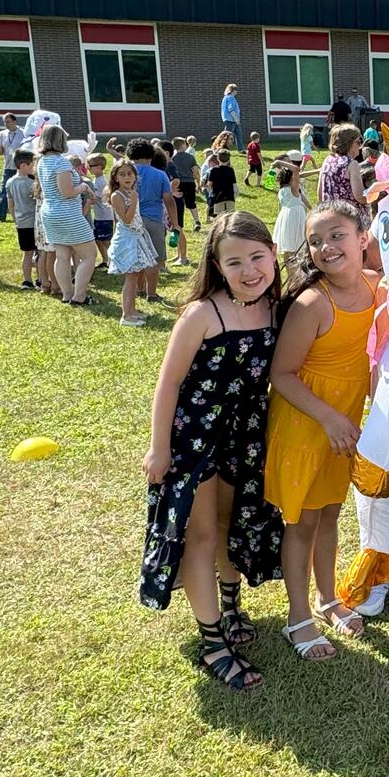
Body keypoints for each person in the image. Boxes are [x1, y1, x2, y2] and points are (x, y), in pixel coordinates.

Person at [140, 213, 284, 688]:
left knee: (230, 521)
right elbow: (168, 383)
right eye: (234, 262)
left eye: (257, 257)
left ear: (274, 254)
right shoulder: (202, 314)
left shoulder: (274, 307)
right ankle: (212, 642)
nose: (249, 270)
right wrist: (159, 448)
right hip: (196, 437)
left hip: (246, 434)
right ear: (218, 266)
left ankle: (231, 603)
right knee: (200, 535)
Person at [265, 200, 381, 656]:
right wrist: (329, 417)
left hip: (343, 425)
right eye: (315, 241)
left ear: (363, 238)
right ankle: (298, 617)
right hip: (306, 424)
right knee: (302, 522)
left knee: (330, 512)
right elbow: (282, 375)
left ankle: (328, 598)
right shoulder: (312, 303)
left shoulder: (376, 286)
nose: (326, 247)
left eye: (337, 236)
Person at [35, 125, 97, 307]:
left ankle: (67, 294)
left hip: (50, 213)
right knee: (89, 255)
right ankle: (79, 296)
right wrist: (84, 187)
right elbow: (67, 192)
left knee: (62, 255)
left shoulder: (42, 161)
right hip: (67, 213)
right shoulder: (61, 163)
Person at [107, 160, 160, 327]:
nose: (127, 177)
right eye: (122, 174)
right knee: (130, 278)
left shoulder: (131, 192)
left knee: (136, 275)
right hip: (127, 240)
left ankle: (133, 310)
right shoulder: (117, 196)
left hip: (136, 236)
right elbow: (127, 219)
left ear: (135, 176)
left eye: (129, 174)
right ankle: (126, 315)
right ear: (116, 178)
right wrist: (134, 200)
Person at [127, 139, 178, 298]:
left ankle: (140, 288)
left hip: (131, 220)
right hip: (154, 219)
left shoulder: (126, 174)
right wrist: (175, 223)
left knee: (137, 257)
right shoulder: (160, 175)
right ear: (151, 155)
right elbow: (169, 200)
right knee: (153, 259)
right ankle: (152, 293)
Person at [319, 124, 367, 217]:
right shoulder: (351, 164)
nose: (361, 146)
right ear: (349, 143)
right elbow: (360, 196)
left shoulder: (327, 160)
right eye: (358, 142)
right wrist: (376, 195)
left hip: (330, 215)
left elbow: (320, 193)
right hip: (350, 218)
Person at [5, 148, 36, 287]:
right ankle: (41, 279)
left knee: (27, 253)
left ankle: (27, 280)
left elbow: (10, 204)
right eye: (32, 165)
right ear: (23, 165)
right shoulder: (31, 183)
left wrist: (15, 219)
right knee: (40, 253)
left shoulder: (10, 182)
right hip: (34, 222)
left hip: (21, 223)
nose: (34, 168)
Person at [272, 160, 311, 265]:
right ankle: (298, 268)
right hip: (295, 217)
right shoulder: (294, 189)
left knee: (288, 247)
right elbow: (297, 170)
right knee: (298, 244)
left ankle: (290, 269)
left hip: (285, 217)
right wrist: (280, 162)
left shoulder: (281, 190)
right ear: (291, 178)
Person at [0, 112, 26, 222]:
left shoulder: (23, 133)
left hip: (20, 168)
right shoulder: (2, 134)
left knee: (21, 192)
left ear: (14, 122)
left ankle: (23, 214)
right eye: (4, 122)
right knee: (4, 191)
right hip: (8, 167)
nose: (6, 124)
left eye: (8, 121)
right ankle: (0, 215)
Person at [86, 153, 113, 267]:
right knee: (98, 239)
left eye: (90, 165)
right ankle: (105, 260)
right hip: (98, 216)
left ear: (98, 167)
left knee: (106, 240)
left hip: (105, 216)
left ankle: (115, 260)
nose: (88, 168)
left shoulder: (102, 181)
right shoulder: (96, 180)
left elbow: (97, 198)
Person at [172, 137, 202, 231]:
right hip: (189, 182)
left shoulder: (173, 158)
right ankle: (197, 221)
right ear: (182, 145)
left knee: (178, 205)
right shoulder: (190, 157)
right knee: (191, 203)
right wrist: (198, 183)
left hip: (178, 183)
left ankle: (177, 225)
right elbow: (195, 171)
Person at [206, 149, 238, 217]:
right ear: (229, 159)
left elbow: (209, 184)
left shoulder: (214, 170)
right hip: (230, 197)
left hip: (218, 197)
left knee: (219, 218)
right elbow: (234, 185)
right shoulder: (231, 170)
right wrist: (235, 195)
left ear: (218, 159)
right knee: (230, 217)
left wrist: (211, 192)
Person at [220, 83, 244, 151]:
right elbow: (230, 109)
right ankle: (224, 149)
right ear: (232, 91)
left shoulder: (225, 98)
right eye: (235, 90)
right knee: (227, 135)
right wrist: (236, 119)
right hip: (231, 120)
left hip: (228, 119)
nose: (236, 92)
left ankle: (241, 149)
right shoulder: (231, 98)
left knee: (238, 134)